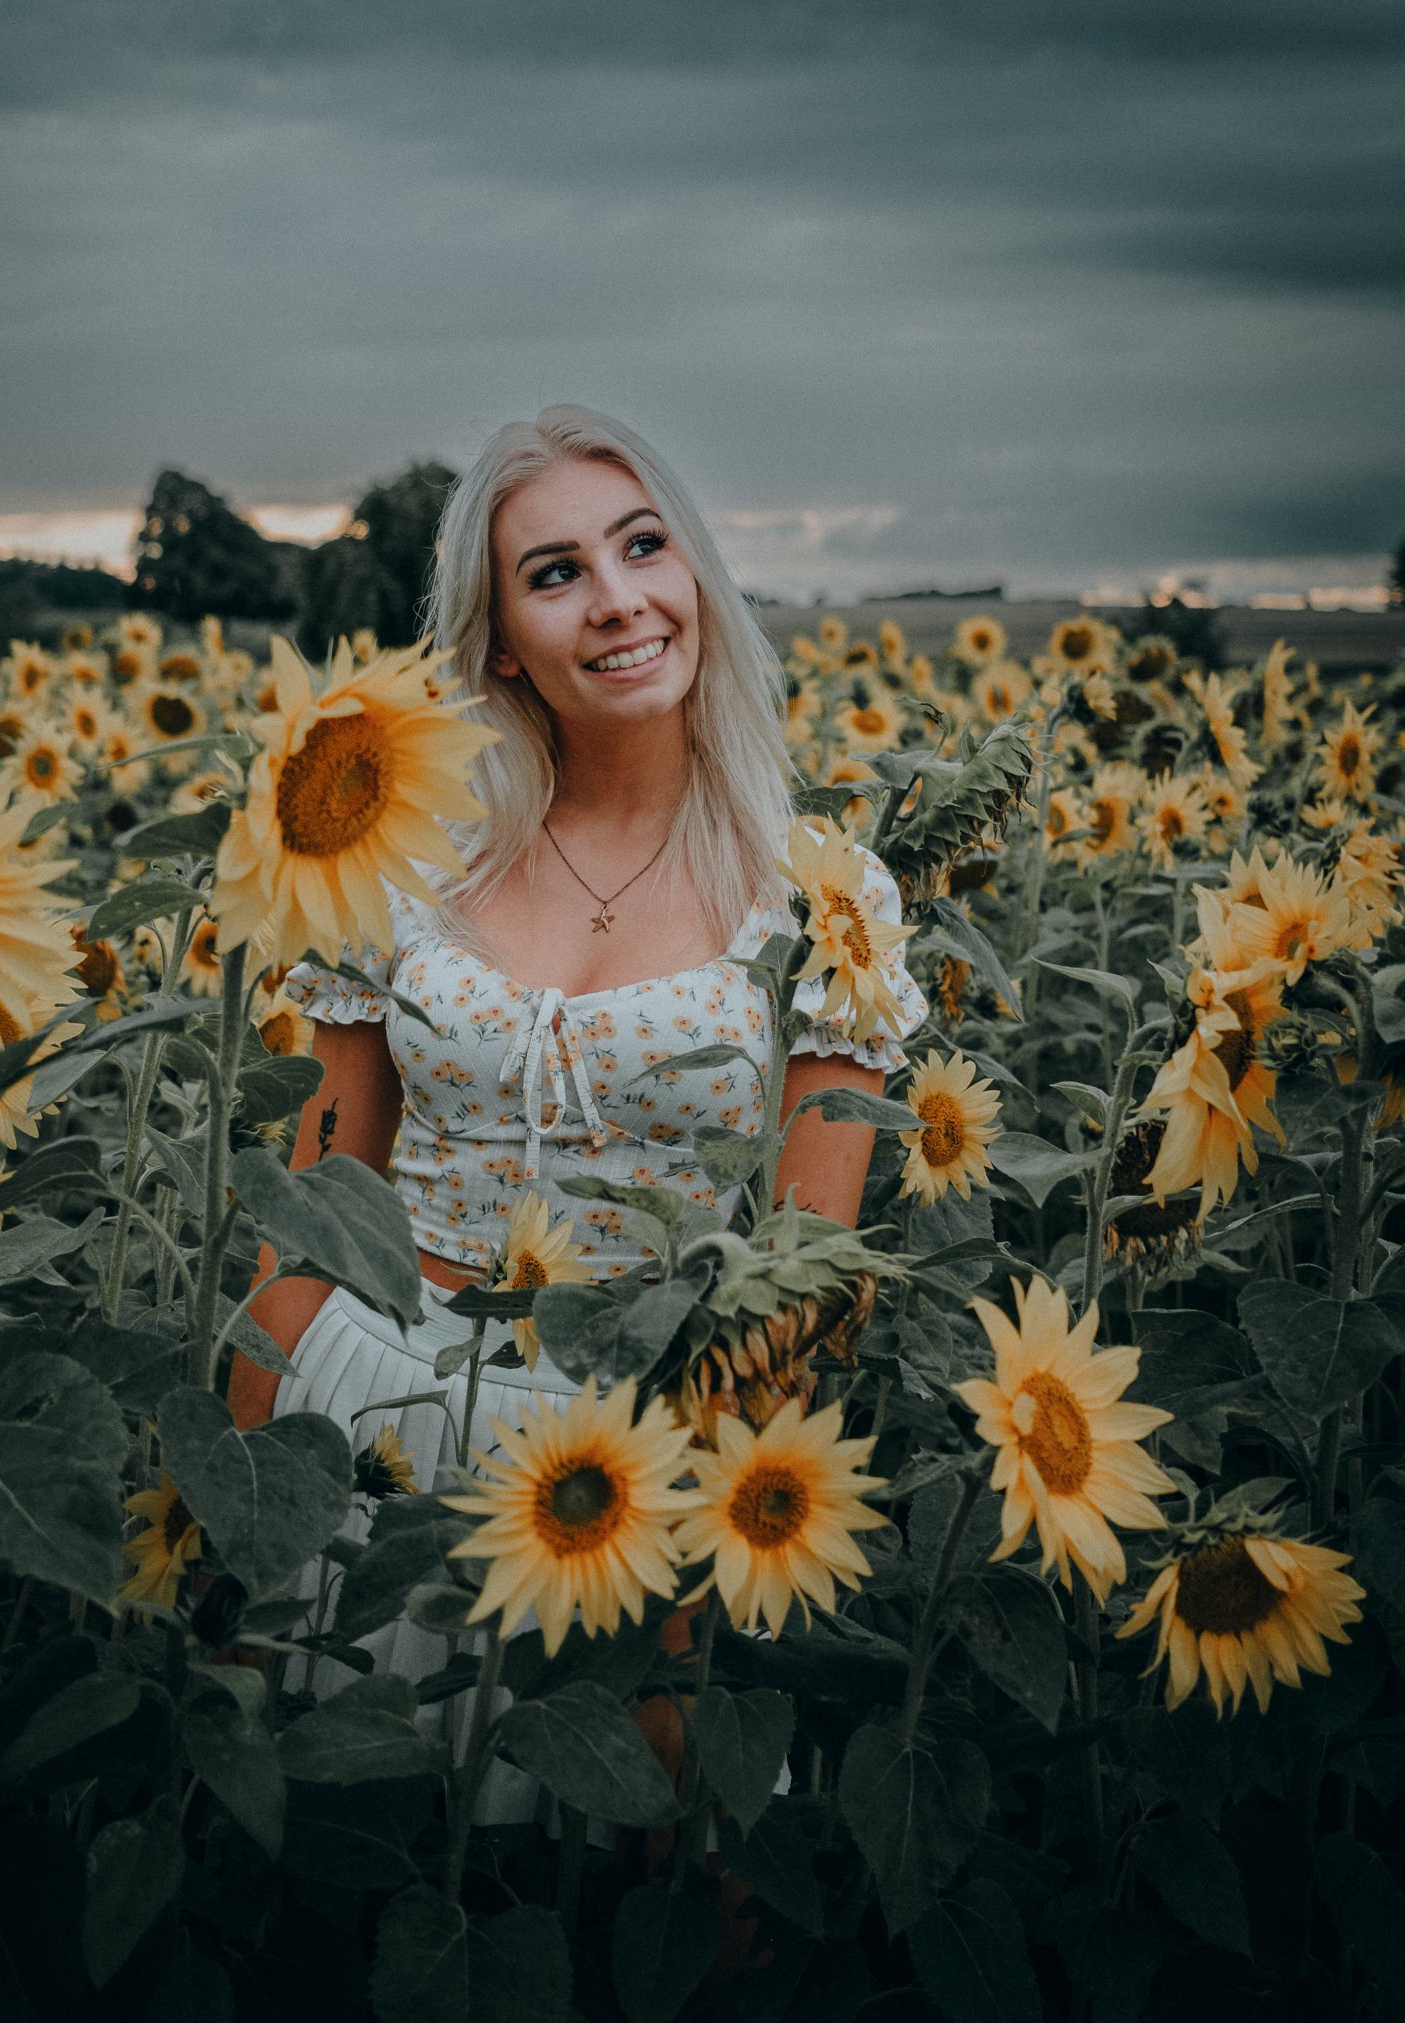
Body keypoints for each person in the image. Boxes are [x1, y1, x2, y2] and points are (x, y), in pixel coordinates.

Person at [225, 405, 926, 1708]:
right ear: (497, 647)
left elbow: (799, 1289)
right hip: (378, 1403)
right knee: (357, 1813)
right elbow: (316, 1205)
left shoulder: (821, 900)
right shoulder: (405, 870)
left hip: (648, 1450)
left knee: (637, 1847)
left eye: (642, 548)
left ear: (695, 581)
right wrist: (240, 1515)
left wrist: (691, 1596)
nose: (616, 601)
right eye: (555, 574)